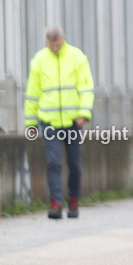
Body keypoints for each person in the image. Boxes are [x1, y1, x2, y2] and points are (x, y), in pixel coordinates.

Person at [24, 25, 94, 219]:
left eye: (57, 44)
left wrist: (84, 113)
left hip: (74, 121)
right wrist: (30, 123)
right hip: (49, 122)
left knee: (74, 163)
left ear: (63, 38)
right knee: (54, 162)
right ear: (46, 42)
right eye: (51, 45)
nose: (54, 48)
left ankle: (73, 200)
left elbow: (86, 87)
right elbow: (33, 94)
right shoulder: (39, 61)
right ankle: (55, 203)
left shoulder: (77, 57)